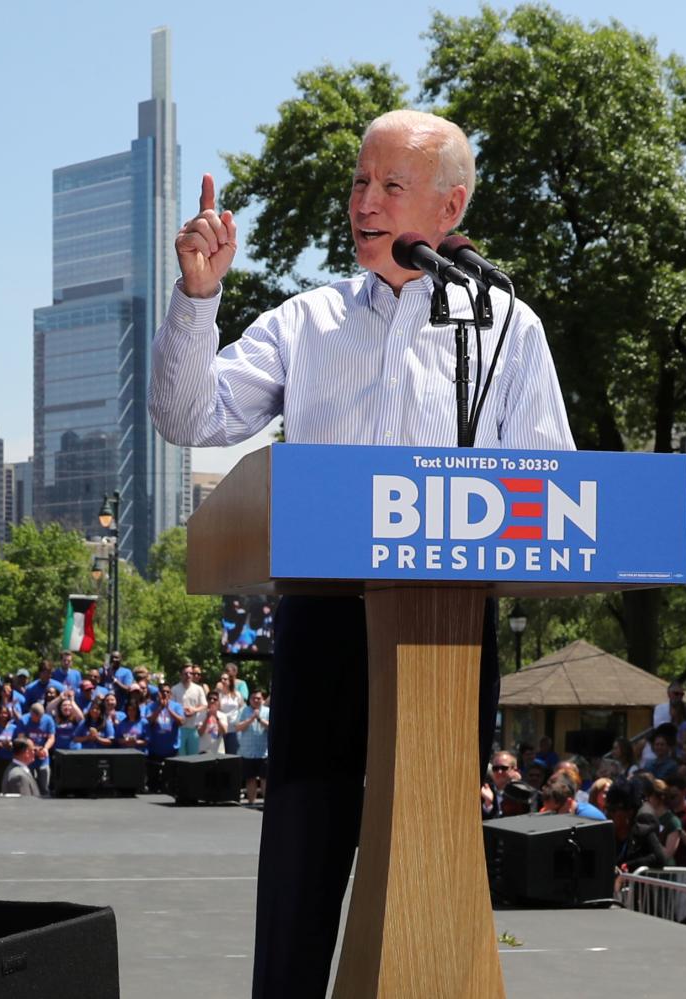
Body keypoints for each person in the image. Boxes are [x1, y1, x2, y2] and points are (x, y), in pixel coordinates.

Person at [149, 109, 573, 996]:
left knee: (433, 864)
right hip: (327, 623)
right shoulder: (307, 322)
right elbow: (189, 419)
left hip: (449, 636)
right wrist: (197, 299)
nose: (365, 203)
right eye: (359, 182)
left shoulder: (507, 329)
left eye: (391, 185)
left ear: (450, 206)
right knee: (304, 866)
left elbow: (555, 490)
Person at [236, 691, 270, 805]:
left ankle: (267, 804)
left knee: (264, 778)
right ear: (250, 699)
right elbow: (238, 727)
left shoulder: (267, 711)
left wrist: (259, 719)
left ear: (262, 699)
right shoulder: (243, 711)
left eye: (258, 698)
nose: (256, 700)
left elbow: (271, 727)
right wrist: (250, 719)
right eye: (254, 698)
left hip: (263, 752)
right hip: (248, 751)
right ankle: (251, 802)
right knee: (250, 778)